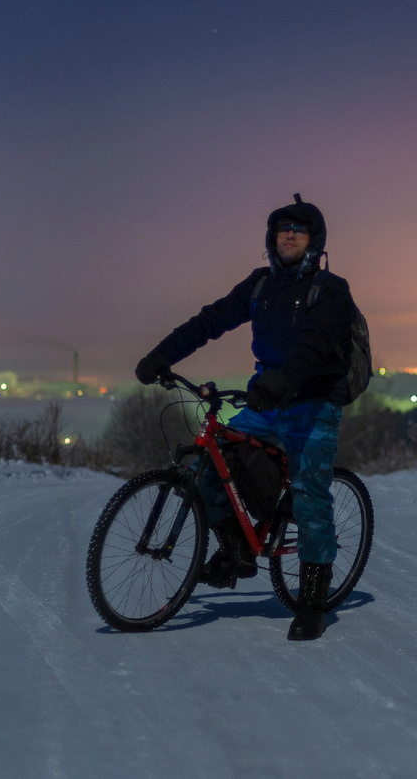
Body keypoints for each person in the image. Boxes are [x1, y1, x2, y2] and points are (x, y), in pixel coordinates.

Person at [134, 195, 357, 641]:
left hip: (312, 403)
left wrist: (283, 382)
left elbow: (315, 347)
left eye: (299, 229)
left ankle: (312, 601)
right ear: (272, 238)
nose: (289, 234)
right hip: (267, 400)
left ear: (315, 241)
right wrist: (162, 355)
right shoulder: (260, 285)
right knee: (205, 462)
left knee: (310, 495)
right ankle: (237, 549)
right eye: (282, 229)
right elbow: (210, 321)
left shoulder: (330, 290)